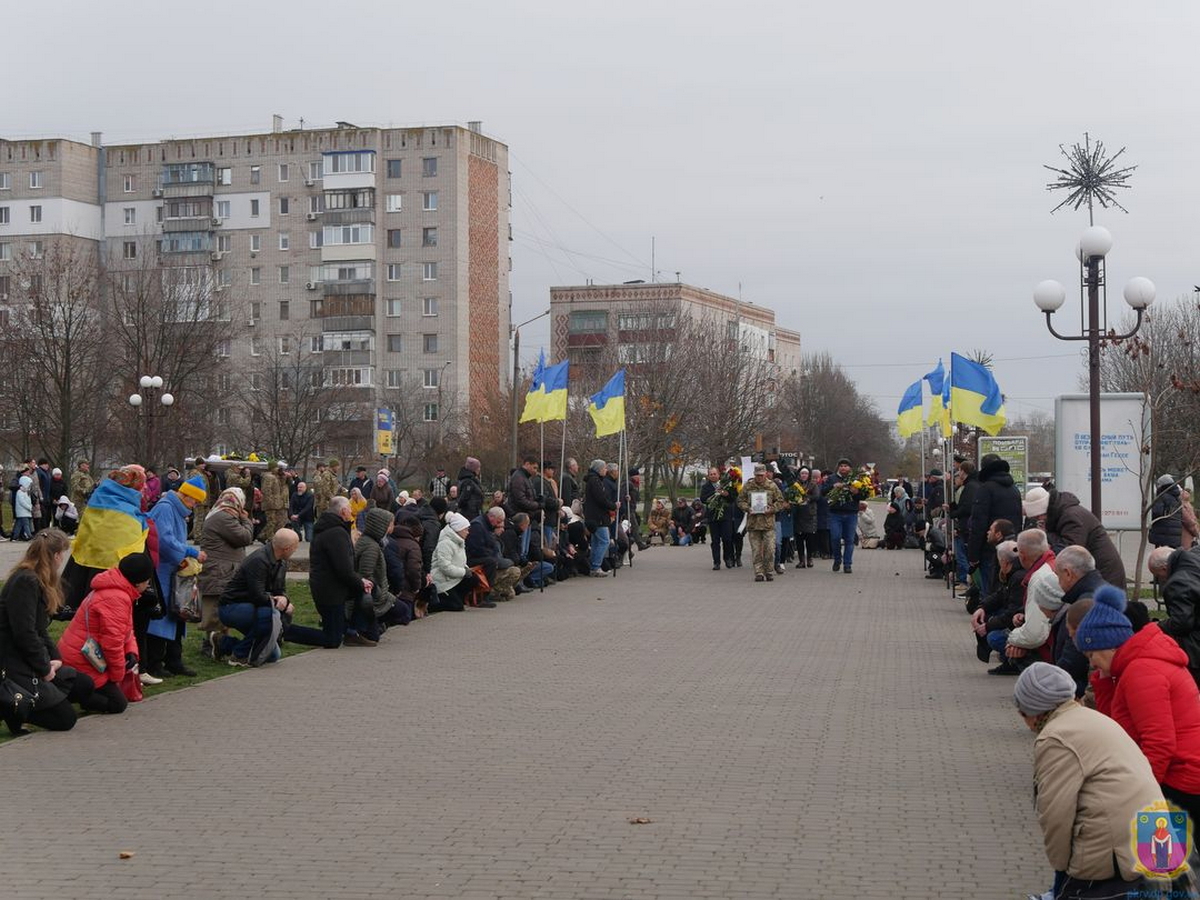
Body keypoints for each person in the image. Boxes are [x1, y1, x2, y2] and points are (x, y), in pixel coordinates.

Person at [1013, 663, 1165, 898]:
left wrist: (1063, 869)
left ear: (1034, 711)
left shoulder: (1056, 738)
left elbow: (1056, 814)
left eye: (1022, 712)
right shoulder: (1091, 718)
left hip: (1113, 847)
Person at [1075, 584, 1200, 823]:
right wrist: (1104, 681)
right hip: (1180, 776)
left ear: (1108, 645)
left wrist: (1139, 797)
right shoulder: (1133, 668)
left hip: (1179, 782)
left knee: (1157, 857)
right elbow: (1117, 727)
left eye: (1091, 655)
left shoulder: (1141, 672)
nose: (1092, 663)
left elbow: (1159, 742)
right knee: (1158, 857)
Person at [0, 529, 95, 734]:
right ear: (56, 556)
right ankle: (13, 706)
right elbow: (24, 634)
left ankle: (33, 703)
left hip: (29, 658)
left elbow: (39, 630)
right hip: (14, 662)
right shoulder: (26, 582)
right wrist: (44, 668)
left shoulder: (35, 580)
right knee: (65, 720)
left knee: (84, 684)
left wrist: (55, 659)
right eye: (63, 555)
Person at [58, 553, 155, 715]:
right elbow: (112, 644)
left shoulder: (119, 590)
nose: (148, 585)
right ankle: (72, 694)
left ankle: (79, 693)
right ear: (138, 583)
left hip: (85, 655)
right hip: (83, 660)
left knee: (115, 697)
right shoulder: (116, 598)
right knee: (117, 704)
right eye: (147, 581)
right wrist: (117, 676)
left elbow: (126, 630)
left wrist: (131, 652)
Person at [144, 475, 207, 679]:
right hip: (163, 571)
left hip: (172, 572)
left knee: (177, 614)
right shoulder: (166, 508)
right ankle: (155, 663)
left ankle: (173, 660)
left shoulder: (175, 509)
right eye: (195, 500)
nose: (195, 504)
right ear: (186, 495)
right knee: (161, 617)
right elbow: (164, 541)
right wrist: (191, 552)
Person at [217, 529, 300, 666]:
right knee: (268, 615)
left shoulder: (281, 562)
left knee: (273, 654)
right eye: (295, 547)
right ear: (287, 548)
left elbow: (280, 590)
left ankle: (224, 643)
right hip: (232, 606)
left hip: (257, 606)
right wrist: (279, 602)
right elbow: (257, 595)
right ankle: (239, 656)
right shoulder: (259, 560)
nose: (296, 550)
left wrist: (285, 600)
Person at [1023, 486, 1126, 589]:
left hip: (1104, 576)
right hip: (1096, 573)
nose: (1039, 521)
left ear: (1044, 510)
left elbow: (1069, 551)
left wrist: (1045, 536)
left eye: (1038, 517)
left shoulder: (1071, 516)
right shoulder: (1062, 513)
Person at [309, 496, 376, 648]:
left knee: (370, 587)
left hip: (333, 587)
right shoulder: (336, 533)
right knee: (332, 640)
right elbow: (344, 569)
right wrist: (360, 581)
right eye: (350, 510)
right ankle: (287, 631)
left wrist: (361, 582)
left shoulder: (330, 529)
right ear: (344, 511)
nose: (352, 513)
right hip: (331, 591)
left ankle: (351, 631)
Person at [197, 487, 254, 659]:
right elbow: (244, 537)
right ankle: (213, 644)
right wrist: (247, 521)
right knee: (215, 610)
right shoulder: (223, 517)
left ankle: (218, 642)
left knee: (218, 608)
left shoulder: (219, 513)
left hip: (219, 569)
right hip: (219, 571)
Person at [1053, 545, 1105, 696]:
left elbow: (1074, 656)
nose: (1058, 582)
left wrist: (1054, 683)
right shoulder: (1099, 590)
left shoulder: (1085, 604)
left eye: (1058, 576)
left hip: (1080, 691)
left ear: (1068, 573)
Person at [968, 454, 1023, 592]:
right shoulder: (1014, 490)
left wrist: (973, 555)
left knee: (989, 589)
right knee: (1005, 589)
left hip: (989, 549)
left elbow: (978, 524)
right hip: (1011, 548)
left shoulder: (985, 490)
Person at [1147, 546, 1200, 687]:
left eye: (1158, 576)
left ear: (1164, 568)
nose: (1159, 581)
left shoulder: (1177, 583)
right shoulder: (1195, 554)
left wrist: (1158, 626)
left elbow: (1182, 624)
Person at [737, 463, 787, 583]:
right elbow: (740, 500)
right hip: (753, 524)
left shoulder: (772, 485)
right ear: (754, 474)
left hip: (768, 523)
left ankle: (769, 571)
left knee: (770, 548)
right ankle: (759, 572)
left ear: (765, 474)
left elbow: (780, 501)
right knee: (756, 550)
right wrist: (748, 508)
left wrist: (772, 509)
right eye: (757, 475)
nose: (759, 477)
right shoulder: (748, 486)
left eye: (761, 475)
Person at [819, 458, 867, 574]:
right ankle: (837, 559)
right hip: (835, 513)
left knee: (849, 540)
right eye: (841, 466)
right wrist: (833, 486)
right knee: (835, 538)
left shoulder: (856, 479)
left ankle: (847, 564)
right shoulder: (832, 478)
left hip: (851, 513)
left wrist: (856, 493)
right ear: (838, 467)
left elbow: (864, 495)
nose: (843, 468)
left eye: (846, 466)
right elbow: (823, 491)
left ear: (850, 468)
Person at [430, 512, 479, 612]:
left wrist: (466, 569)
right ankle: (433, 604)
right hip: (443, 581)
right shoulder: (446, 543)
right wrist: (464, 572)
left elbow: (460, 560)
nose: (468, 532)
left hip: (453, 578)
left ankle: (458, 598)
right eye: (466, 529)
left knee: (474, 579)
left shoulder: (459, 541)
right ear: (458, 529)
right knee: (456, 607)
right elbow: (445, 567)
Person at [385, 516, 426, 621]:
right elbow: (413, 569)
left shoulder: (389, 540)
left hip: (390, 588)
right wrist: (416, 587)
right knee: (405, 617)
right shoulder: (413, 546)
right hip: (406, 590)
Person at [947, 461, 978, 586]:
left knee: (962, 556)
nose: (958, 473)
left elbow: (966, 507)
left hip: (965, 526)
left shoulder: (970, 487)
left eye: (959, 470)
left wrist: (953, 512)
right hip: (965, 525)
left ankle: (966, 582)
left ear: (963, 472)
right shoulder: (970, 485)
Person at [583, 459, 615, 577]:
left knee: (596, 542)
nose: (606, 470)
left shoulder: (593, 480)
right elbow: (601, 499)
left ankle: (594, 566)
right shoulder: (595, 481)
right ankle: (596, 565)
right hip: (598, 517)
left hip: (593, 516)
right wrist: (612, 506)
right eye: (604, 468)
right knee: (604, 541)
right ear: (599, 469)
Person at [1149, 474, 1184, 549]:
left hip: (1163, 535)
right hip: (1175, 536)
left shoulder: (1162, 497)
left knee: (1161, 558)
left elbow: (1157, 512)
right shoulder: (1177, 498)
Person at [792, 467, 817, 569]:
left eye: (806, 473)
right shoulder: (795, 485)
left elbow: (817, 496)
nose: (804, 475)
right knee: (799, 539)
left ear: (809, 475)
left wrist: (807, 498)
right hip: (798, 514)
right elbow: (791, 495)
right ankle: (801, 560)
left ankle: (809, 558)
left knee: (810, 538)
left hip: (809, 514)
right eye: (802, 473)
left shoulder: (813, 485)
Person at [259, 462, 289, 543]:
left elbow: (282, 485)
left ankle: (263, 536)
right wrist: (270, 502)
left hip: (276, 503)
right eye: (276, 468)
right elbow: (266, 491)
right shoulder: (268, 477)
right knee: (271, 521)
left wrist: (283, 476)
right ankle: (270, 538)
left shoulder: (275, 477)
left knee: (276, 521)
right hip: (271, 504)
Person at [456, 457, 485, 522]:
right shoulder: (468, 482)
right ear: (473, 469)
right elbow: (463, 499)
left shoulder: (469, 480)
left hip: (473, 513)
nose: (479, 469)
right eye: (478, 468)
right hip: (470, 515)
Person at [12, 473, 34, 541]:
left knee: (19, 525)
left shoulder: (26, 492)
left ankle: (15, 536)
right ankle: (29, 535)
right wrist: (29, 507)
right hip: (22, 512)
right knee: (26, 524)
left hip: (26, 512)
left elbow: (29, 501)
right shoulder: (20, 492)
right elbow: (22, 502)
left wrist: (30, 506)